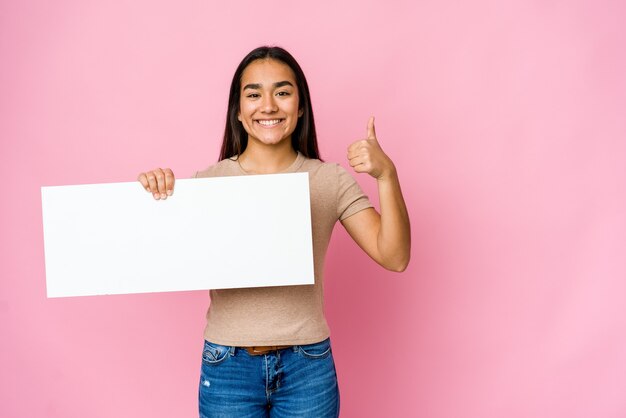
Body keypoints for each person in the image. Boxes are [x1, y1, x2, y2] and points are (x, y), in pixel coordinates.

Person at [137, 46, 410, 418]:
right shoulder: (206, 184)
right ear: (238, 109)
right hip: (227, 364)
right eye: (254, 94)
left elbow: (394, 256)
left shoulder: (327, 180)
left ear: (300, 107)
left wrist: (386, 175)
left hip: (307, 365)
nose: (268, 105)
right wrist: (157, 193)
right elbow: (154, 255)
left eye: (282, 92)